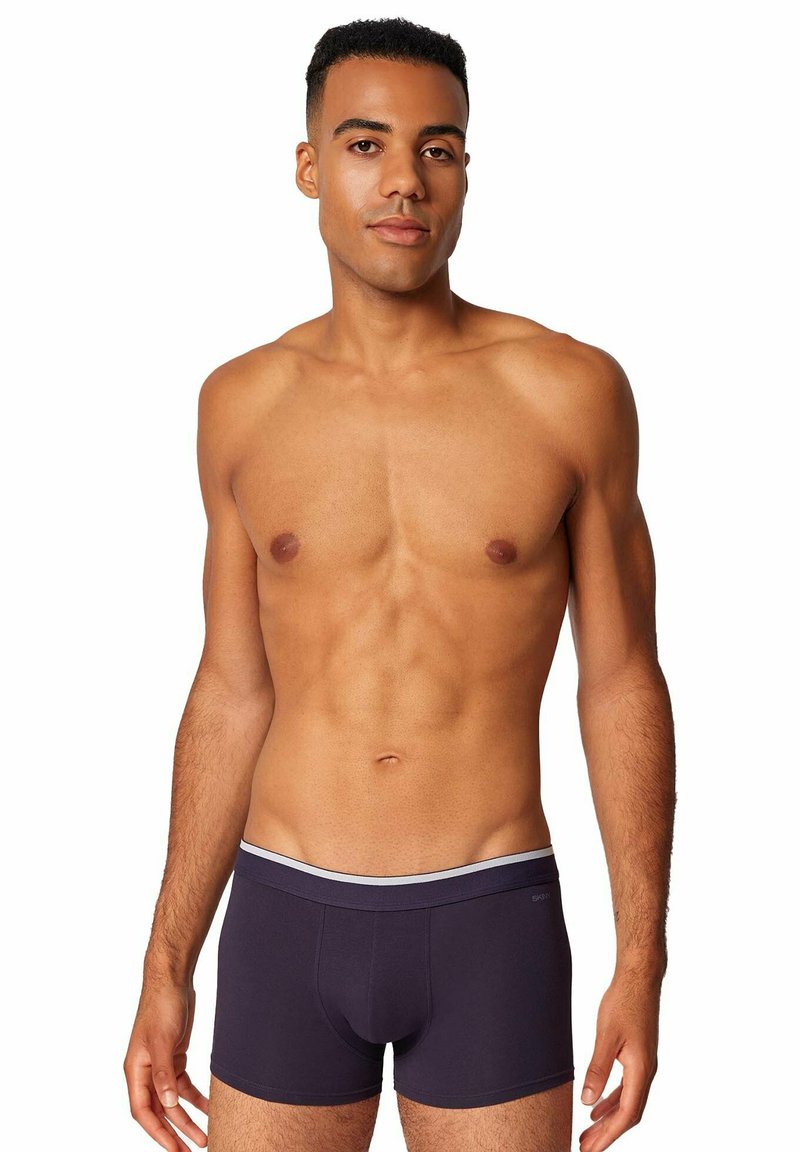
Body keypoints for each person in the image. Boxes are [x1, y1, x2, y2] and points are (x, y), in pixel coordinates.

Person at [123, 16, 676, 1152]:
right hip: (284, 911)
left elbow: (620, 680)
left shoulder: (568, 393)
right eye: (366, 144)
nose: (405, 181)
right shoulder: (241, 404)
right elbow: (231, 689)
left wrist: (642, 955)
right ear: (309, 166)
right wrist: (165, 962)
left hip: (489, 913)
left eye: (438, 148)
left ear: (465, 169)